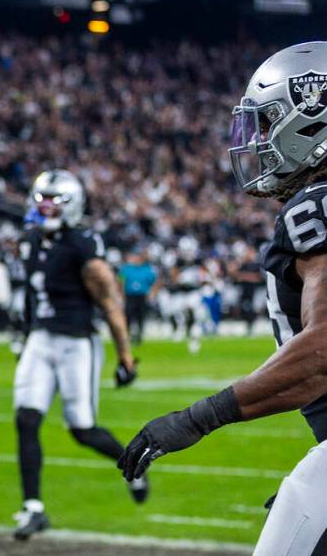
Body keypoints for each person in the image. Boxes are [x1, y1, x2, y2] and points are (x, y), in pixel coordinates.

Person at [119, 42, 327, 555]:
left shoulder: (315, 208)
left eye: (268, 121)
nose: (256, 140)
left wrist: (200, 417)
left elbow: (322, 353)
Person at [13, 169, 143, 540]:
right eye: (41, 199)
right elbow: (30, 294)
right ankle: (33, 508)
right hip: (40, 338)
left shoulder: (83, 243)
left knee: (83, 431)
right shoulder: (31, 238)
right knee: (26, 419)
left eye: (54, 201)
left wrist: (125, 357)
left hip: (76, 342)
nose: (45, 207)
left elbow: (110, 304)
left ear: (73, 205)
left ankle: (134, 468)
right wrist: (22, 334)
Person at [118, 247, 158, 345]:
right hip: (130, 295)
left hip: (141, 296)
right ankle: (126, 335)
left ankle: (139, 336)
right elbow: (120, 281)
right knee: (128, 315)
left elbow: (155, 282)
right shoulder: (127, 269)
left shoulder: (147, 269)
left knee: (140, 316)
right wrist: (121, 294)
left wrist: (152, 293)